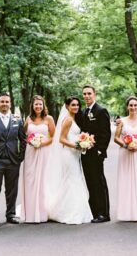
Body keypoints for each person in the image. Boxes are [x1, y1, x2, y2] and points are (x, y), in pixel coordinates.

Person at [46, 96, 93, 224]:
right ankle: (70, 212)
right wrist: (78, 145)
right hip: (68, 154)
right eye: (73, 105)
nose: (76, 107)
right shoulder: (68, 120)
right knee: (73, 180)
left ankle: (69, 208)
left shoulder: (73, 118)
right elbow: (61, 139)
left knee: (73, 179)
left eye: (77, 105)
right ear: (67, 106)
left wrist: (82, 141)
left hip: (73, 154)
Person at [0, 93, 27, 226]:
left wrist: (21, 156)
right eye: (2, 102)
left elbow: (23, 139)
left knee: (12, 189)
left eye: (7, 102)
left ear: (10, 104)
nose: (5, 104)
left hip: (13, 160)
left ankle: (11, 214)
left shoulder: (17, 120)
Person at [19, 95, 55, 223]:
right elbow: (23, 135)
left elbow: (54, 138)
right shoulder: (28, 119)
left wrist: (41, 144)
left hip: (45, 152)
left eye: (40, 104)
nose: (38, 106)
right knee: (30, 180)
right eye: (36, 104)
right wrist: (31, 142)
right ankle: (30, 211)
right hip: (31, 153)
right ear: (32, 106)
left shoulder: (49, 119)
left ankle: (42, 211)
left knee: (43, 181)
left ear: (43, 105)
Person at [80, 85, 111, 223]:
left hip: (96, 154)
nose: (87, 96)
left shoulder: (101, 111)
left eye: (89, 93)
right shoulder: (82, 112)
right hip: (85, 153)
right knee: (90, 183)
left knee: (99, 182)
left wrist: (100, 150)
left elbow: (106, 133)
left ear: (94, 94)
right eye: (84, 94)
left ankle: (104, 213)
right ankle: (94, 211)